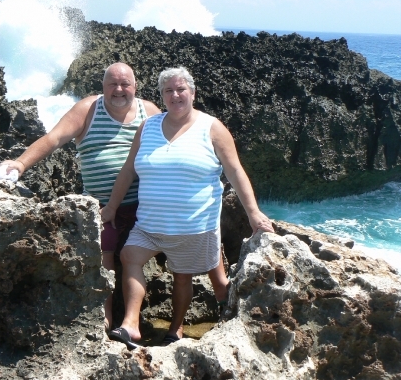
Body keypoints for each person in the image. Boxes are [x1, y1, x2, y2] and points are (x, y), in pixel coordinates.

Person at [100, 66, 274, 350]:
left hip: (193, 227)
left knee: (182, 277)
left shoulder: (212, 128)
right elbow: (128, 170)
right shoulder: (149, 127)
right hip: (149, 224)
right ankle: (130, 326)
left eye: (181, 89)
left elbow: (235, 172)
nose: (175, 95)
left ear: (192, 93)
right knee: (130, 257)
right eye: (168, 91)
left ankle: (175, 328)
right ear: (162, 96)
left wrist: (253, 213)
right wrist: (111, 207)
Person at [0, 62, 161, 331]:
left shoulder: (150, 112)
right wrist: (21, 163)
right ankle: (106, 320)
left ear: (135, 86)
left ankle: (134, 323)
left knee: (138, 258)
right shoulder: (88, 110)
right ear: (103, 87)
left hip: (143, 205)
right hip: (99, 206)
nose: (119, 90)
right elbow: (53, 139)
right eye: (113, 84)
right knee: (104, 258)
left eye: (125, 84)